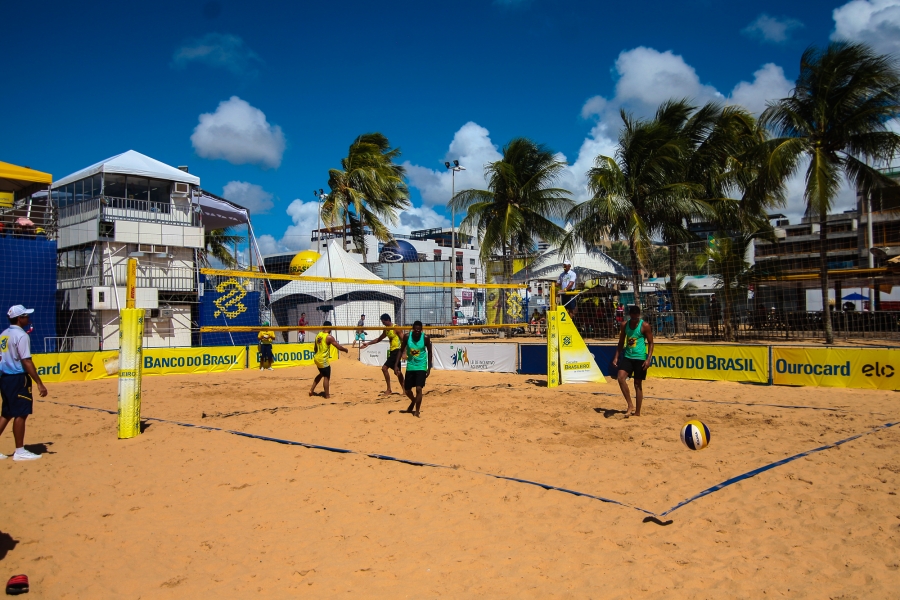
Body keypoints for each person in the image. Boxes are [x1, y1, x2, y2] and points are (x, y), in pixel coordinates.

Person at [0, 305, 47, 461]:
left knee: (6, 413)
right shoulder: (21, 336)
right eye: (26, 315)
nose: (28, 318)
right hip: (18, 378)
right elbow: (26, 361)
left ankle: (19, 450)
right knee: (21, 413)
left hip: (5, 378)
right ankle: (19, 451)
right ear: (19, 318)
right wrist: (39, 382)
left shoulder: (4, 334)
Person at [611, 305, 654, 418]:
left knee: (637, 384)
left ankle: (638, 412)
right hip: (628, 356)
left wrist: (648, 359)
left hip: (640, 358)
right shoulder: (625, 325)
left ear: (639, 316)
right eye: (633, 318)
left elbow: (651, 343)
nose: (635, 320)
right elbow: (621, 342)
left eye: (636, 318)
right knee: (620, 378)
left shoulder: (644, 326)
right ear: (630, 316)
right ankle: (630, 405)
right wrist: (616, 356)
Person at [360, 314, 405, 395]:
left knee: (384, 368)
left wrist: (404, 352)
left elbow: (403, 340)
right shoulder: (386, 329)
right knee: (397, 372)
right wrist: (368, 344)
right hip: (392, 351)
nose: (382, 322)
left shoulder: (396, 327)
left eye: (383, 321)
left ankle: (389, 389)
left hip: (397, 351)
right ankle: (405, 390)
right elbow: (379, 339)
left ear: (388, 319)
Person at [395, 320, 432, 417]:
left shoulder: (426, 338)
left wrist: (429, 368)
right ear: (413, 329)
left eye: (419, 330)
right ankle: (414, 400)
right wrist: (396, 364)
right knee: (407, 390)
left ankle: (417, 411)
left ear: (421, 330)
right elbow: (401, 350)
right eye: (415, 330)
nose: (417, 332)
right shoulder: (407, 337)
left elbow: (430, 352)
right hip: (410, 366)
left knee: (419, 388)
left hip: (421, 366)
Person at [310, 321, 349, 399]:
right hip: (323, 359)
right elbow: (338, 347)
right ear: (329, 327)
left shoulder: (318, 335)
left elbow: (315, 348)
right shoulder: (329, 337)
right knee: (326, 377)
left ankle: (311, 390)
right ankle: (327, 396)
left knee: (321, 374)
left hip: (316, 358)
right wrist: (345, 349)